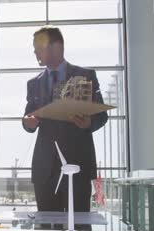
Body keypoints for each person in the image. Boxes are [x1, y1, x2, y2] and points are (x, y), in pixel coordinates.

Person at [22, 26, 108, 217]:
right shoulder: (34, 83)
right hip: (45, 170)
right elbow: (28, 116)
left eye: (39, 46)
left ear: (56, 46)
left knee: (79, 228)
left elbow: (102, 116)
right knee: (46, 229)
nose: (35, 51)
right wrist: (28, 122)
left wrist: (88, 123)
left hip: (77, 167)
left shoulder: (86, 76)